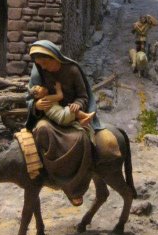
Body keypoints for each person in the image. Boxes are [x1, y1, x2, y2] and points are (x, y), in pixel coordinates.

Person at [26, 40, 102, 206]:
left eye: (45, 64)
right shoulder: (40, 70)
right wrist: (36, 105)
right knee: (41, 130)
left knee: (81, 139)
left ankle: (74, 187)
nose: (43, 68)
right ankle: (48, 174)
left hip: (71, 117)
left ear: (54, 58)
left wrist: (78, 104)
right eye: (40, 65)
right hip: (50, 118)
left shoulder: (72, 70)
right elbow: (30, 96)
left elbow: (83, 96)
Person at [29, 81, 96, 142]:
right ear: (37, 96)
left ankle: (80, 123)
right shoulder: (46, 98)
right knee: (72, 110)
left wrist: (78, 102)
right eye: (39, 88)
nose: (42, 87)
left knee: (72, 112)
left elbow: (82, 95)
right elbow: (60, 96)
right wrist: (58, 88)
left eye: (40, 86)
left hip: (59, 119)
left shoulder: (46, 97)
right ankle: (86, 116)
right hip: (60, 115)